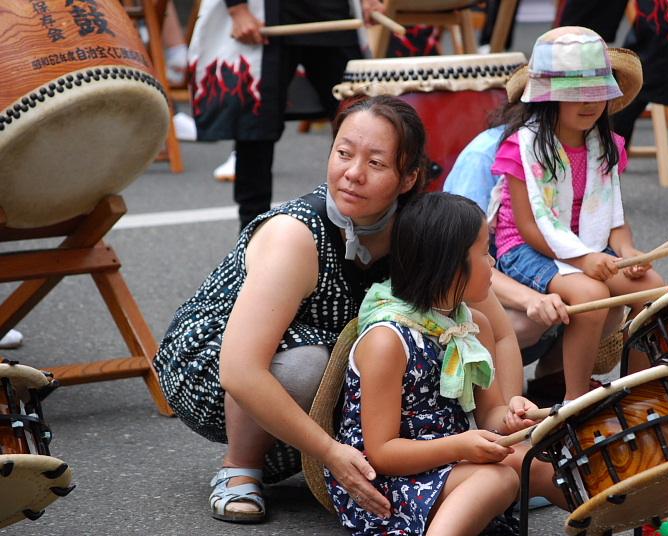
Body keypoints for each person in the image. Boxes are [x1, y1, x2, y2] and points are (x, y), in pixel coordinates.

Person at [153, 96, 530, 524]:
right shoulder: (295, 235)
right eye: (344, 153)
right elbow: (239, 370)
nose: (353, 173)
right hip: (215, 371)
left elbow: (499, 331)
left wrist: (506, 422)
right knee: (307, 365)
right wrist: (332, 453)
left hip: (328, 359)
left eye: (376, 163)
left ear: (408, 177)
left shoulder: (421, 227)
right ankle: (240, 467)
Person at [325, 192, 562, 535]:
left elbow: (490, 413)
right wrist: (460, 446)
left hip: (447, 459)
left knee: (539, 463)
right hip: (383, 484)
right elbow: (382, 453)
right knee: (497, 479)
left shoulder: (470, 325)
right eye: (484, 252)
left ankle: (620, 515)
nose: (493, 261)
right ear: (450, 266)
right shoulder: (387, 340)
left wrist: (511, 416)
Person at [490, 27, 665, 402]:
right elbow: (529, 227)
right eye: (575, 93)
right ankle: (574, 401)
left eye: (597, 91)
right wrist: (584, 259)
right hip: (527, 248)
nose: (589, 103)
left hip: (588, 246)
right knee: (590, 295)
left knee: (655, 291)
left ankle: (637, 395)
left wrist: (628, 251)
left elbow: (614, 218)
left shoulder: (607, 145)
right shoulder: (521, 147)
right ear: (548, 96)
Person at [189, 0, 383, 229]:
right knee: (256, 130)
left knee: (363, 119)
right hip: (267, 13)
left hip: (332, 11)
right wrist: (237, 9)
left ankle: (365, 231)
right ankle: (251, 236)